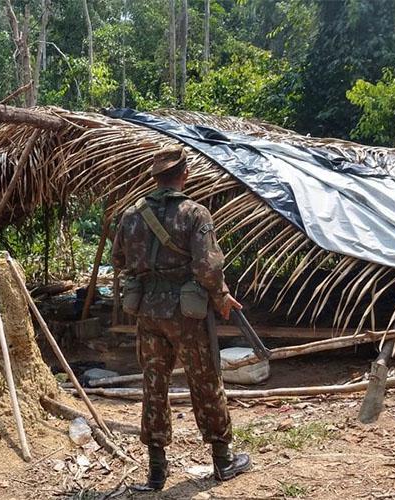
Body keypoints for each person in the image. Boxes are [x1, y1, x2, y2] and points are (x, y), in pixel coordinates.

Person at [112, 145, 251, 490]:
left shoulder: (131, 215)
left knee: (154, 385)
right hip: (186, 313)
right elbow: (207, 267)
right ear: (185, 174)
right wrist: (220, 296)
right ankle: (223, 460)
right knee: (205, 380)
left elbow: (119, 259)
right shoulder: (195, 213)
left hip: (148, 312)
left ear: (156, 177)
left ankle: (156, 471)